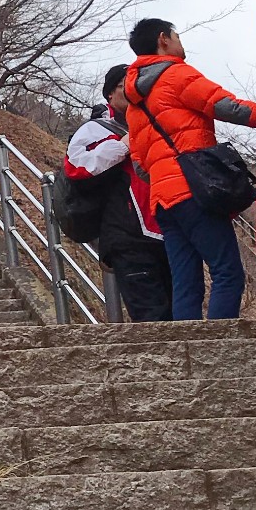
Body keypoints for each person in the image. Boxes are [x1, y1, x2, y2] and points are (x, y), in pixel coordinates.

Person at [122, 17, 256, 321]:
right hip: (193, 192)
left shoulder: (135, 104)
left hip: (163, 202)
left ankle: (191, 349)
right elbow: (227, 106)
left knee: (186, 283)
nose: (179, 42)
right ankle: (220, 349)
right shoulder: (175, 75)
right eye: (176, 35)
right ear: (163, 40)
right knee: (227, 272)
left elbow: (140, 165)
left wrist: (165, 174)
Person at [64, 65, 173, 321]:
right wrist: (121, 146)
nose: (134, 89)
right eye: (125, 84)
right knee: (152, 318)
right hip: (128, 238)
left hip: (170, 232)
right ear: (110, 94)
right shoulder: (97, 129)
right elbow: (76, 168)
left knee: (181, 314)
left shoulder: (158, 123)